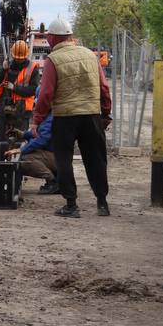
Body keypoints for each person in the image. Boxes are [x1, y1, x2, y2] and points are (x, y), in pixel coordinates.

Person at [30, 17, 111, 218]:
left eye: (49, 37)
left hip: (65, 117)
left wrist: (37, 120)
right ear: (70, 36)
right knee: (96, 159)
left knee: (64, 160)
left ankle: (71, 205)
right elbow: (104, 87)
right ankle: (102, 203)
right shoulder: (90, 55)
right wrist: (105, 113)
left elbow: (46, 94)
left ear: (53, 38)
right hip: (91, 115)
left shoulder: (53, 60)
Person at [0, 40, 39, 141]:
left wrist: (14, 88)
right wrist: (3, 69)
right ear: (13, 55)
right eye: (17, 58)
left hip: (22, 110)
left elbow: (33, 90)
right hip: (5, 107)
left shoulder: (32, 68)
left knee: (19, 140)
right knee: (0, 139)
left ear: (26, 55)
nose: (19, 60)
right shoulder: (7, 65)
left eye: (21, 58)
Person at [6, 113, 58, 194]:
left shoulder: (52, 118)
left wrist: (20, 150)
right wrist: (23, 134)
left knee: (25, 160)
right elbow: (37, 133)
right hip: (54, 155)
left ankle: (53, 182)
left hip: (57, 158)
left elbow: (41, 140)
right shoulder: (47, 117)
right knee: (25, 156)